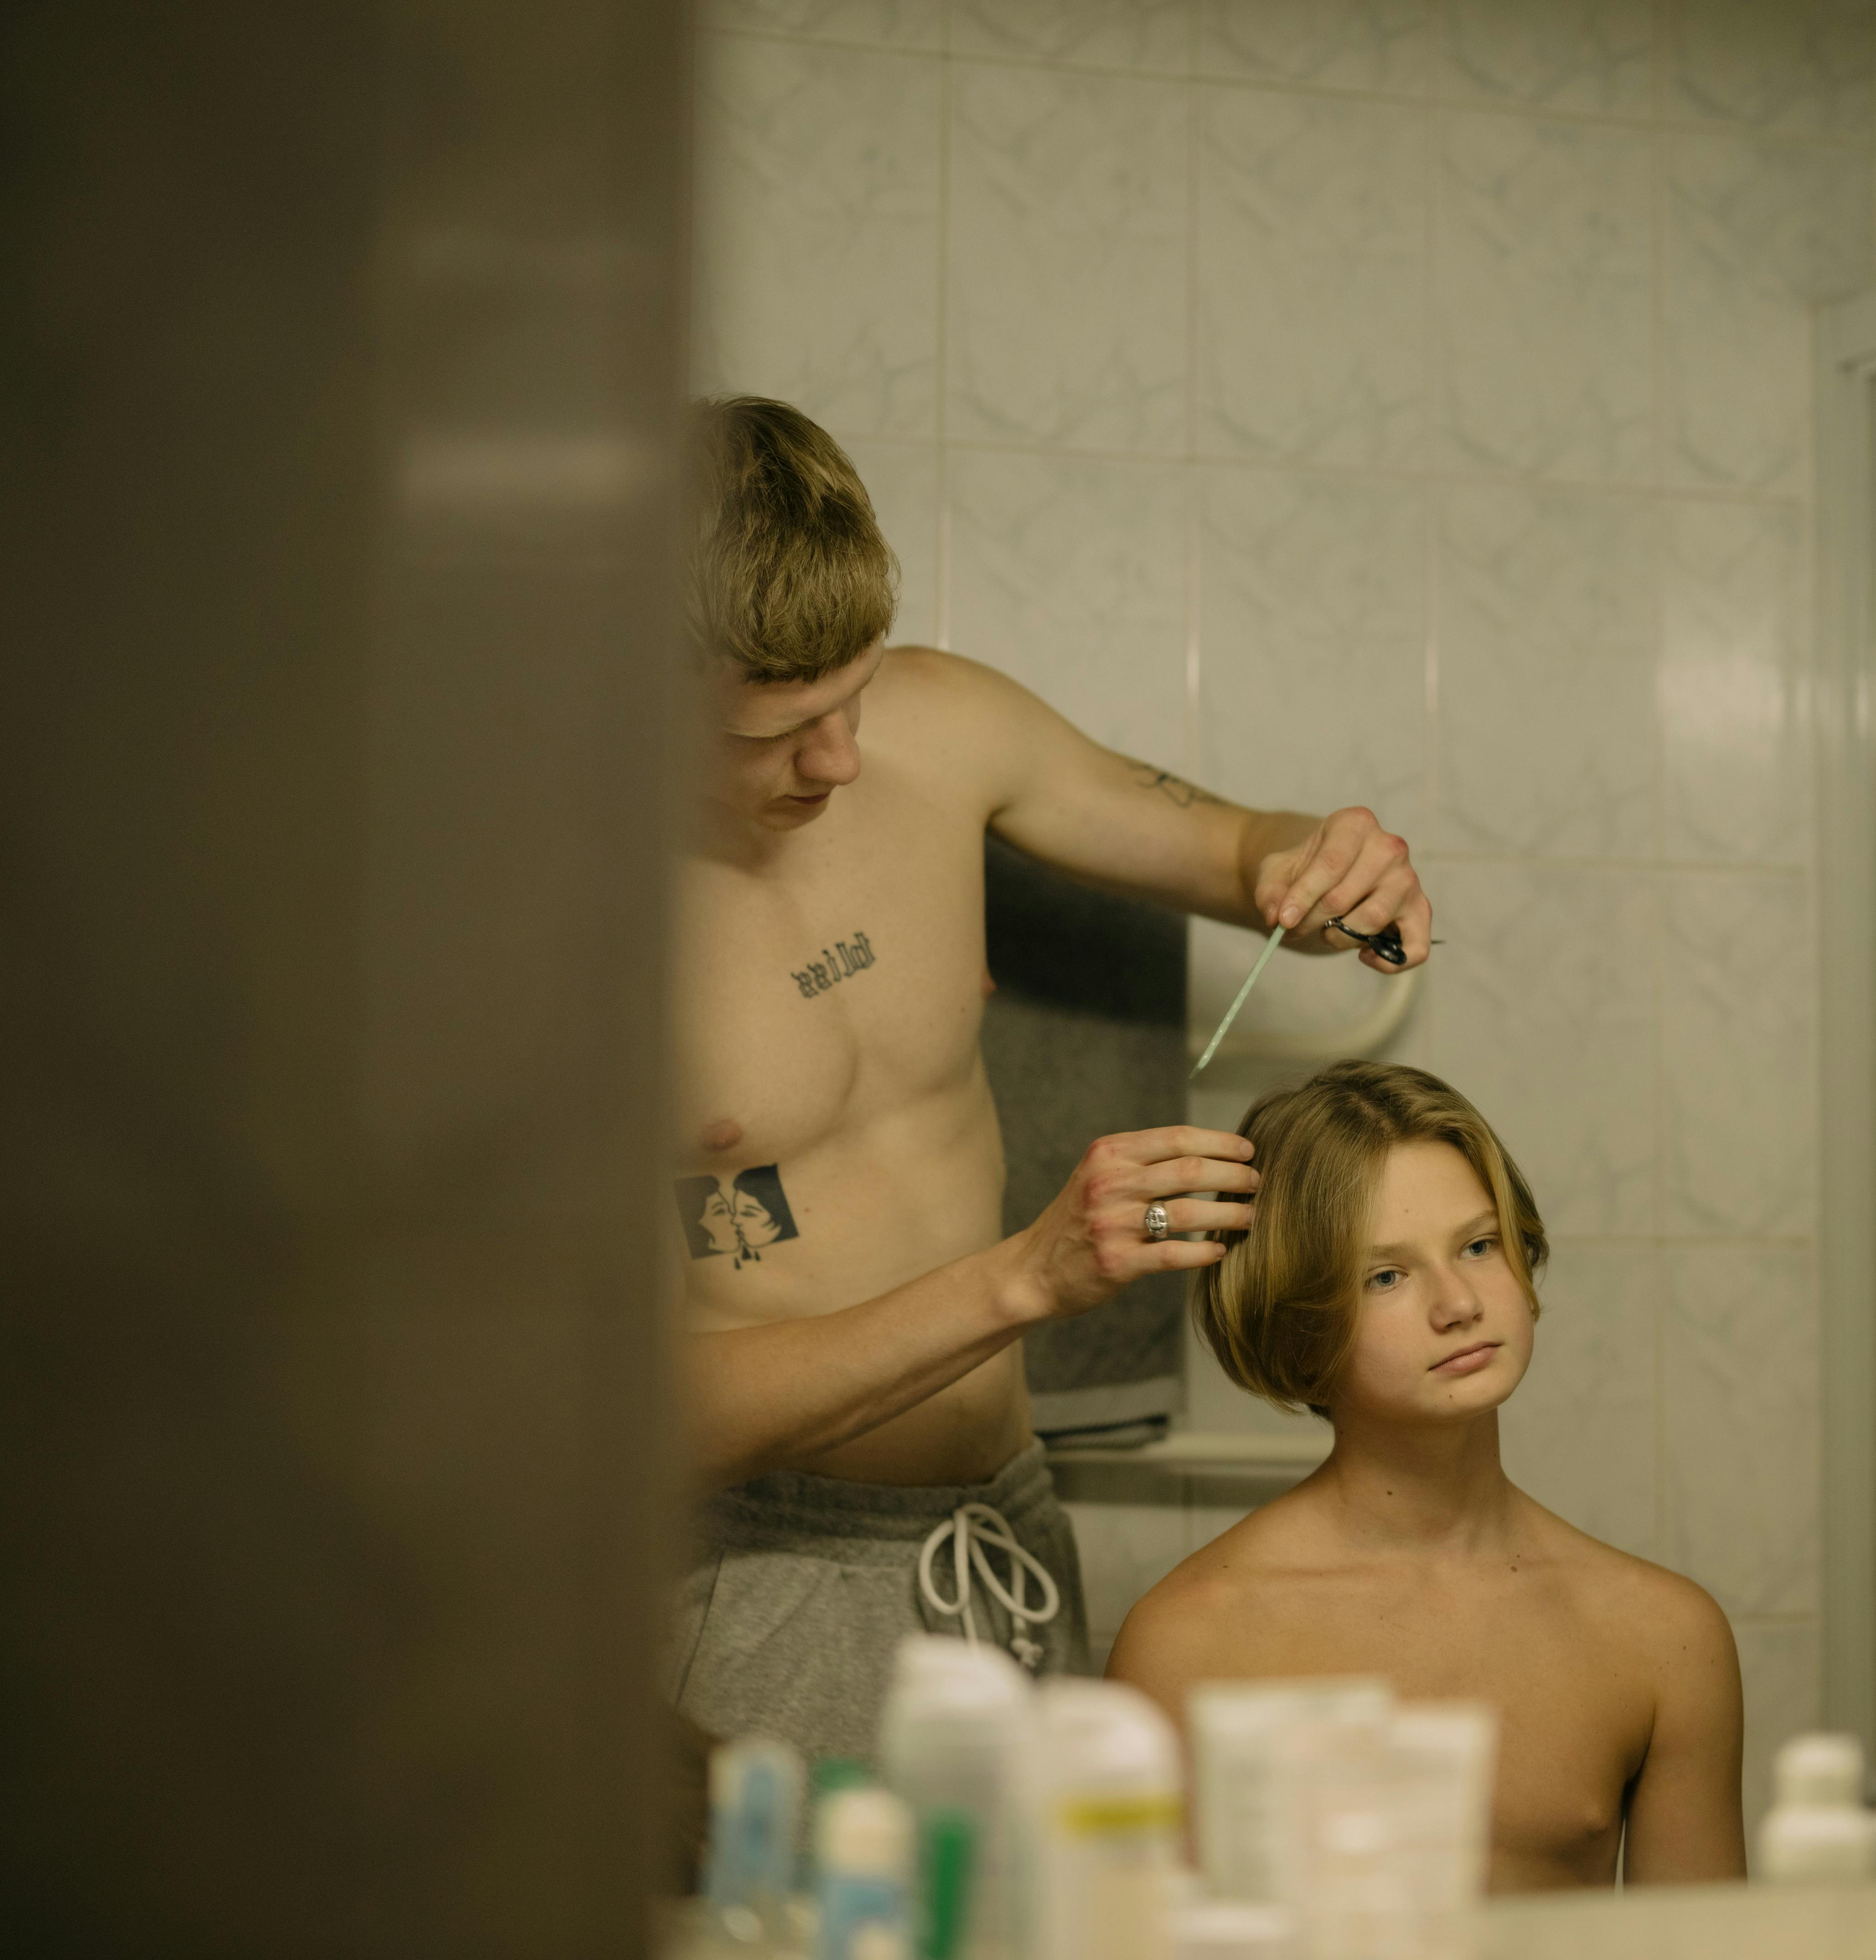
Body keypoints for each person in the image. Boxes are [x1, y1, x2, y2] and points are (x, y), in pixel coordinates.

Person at [664, 397, 1433, 1764]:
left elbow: (1239, 847)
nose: (841, 762)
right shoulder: (541, 944)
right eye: (773, 732)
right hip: (744, 1569)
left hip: (1006, 1519)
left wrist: (1315, 863)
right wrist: (1023, 1280)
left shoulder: (942, 723)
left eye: (856, 698)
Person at [1107, 1062, 1746, 1890]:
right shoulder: (1188, 1641)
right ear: (1297, 1328)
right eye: (1387, 1276)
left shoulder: (1663, 1637)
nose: (1458, 1303)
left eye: (1478, 1246)